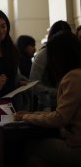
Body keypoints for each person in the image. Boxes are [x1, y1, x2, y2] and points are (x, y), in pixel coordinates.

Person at [15, 31, 81, 167]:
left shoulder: (73, 77)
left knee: (30, 146)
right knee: (35, 160)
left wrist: (26, 117)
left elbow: (60, 117)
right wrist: (30, 115)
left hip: (77, 147)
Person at [29, 20, 71, 111]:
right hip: (48, 105)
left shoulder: (72, 53)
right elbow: (33, 84)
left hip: (69, 103)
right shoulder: (43, 55)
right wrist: (58, 92)